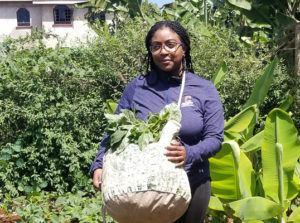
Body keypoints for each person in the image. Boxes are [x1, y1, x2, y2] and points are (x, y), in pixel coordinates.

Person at [91, 20, 224, 223]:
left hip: (193, 181)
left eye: (170, 44)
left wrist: (189, 153)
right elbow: (113, 130)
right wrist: (99, 164)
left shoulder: (204, 89)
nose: (163, 51)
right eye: (156, 46)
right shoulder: (137, 88)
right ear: (150, 51)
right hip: (145, 186)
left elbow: (215, 138)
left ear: (184, 47)